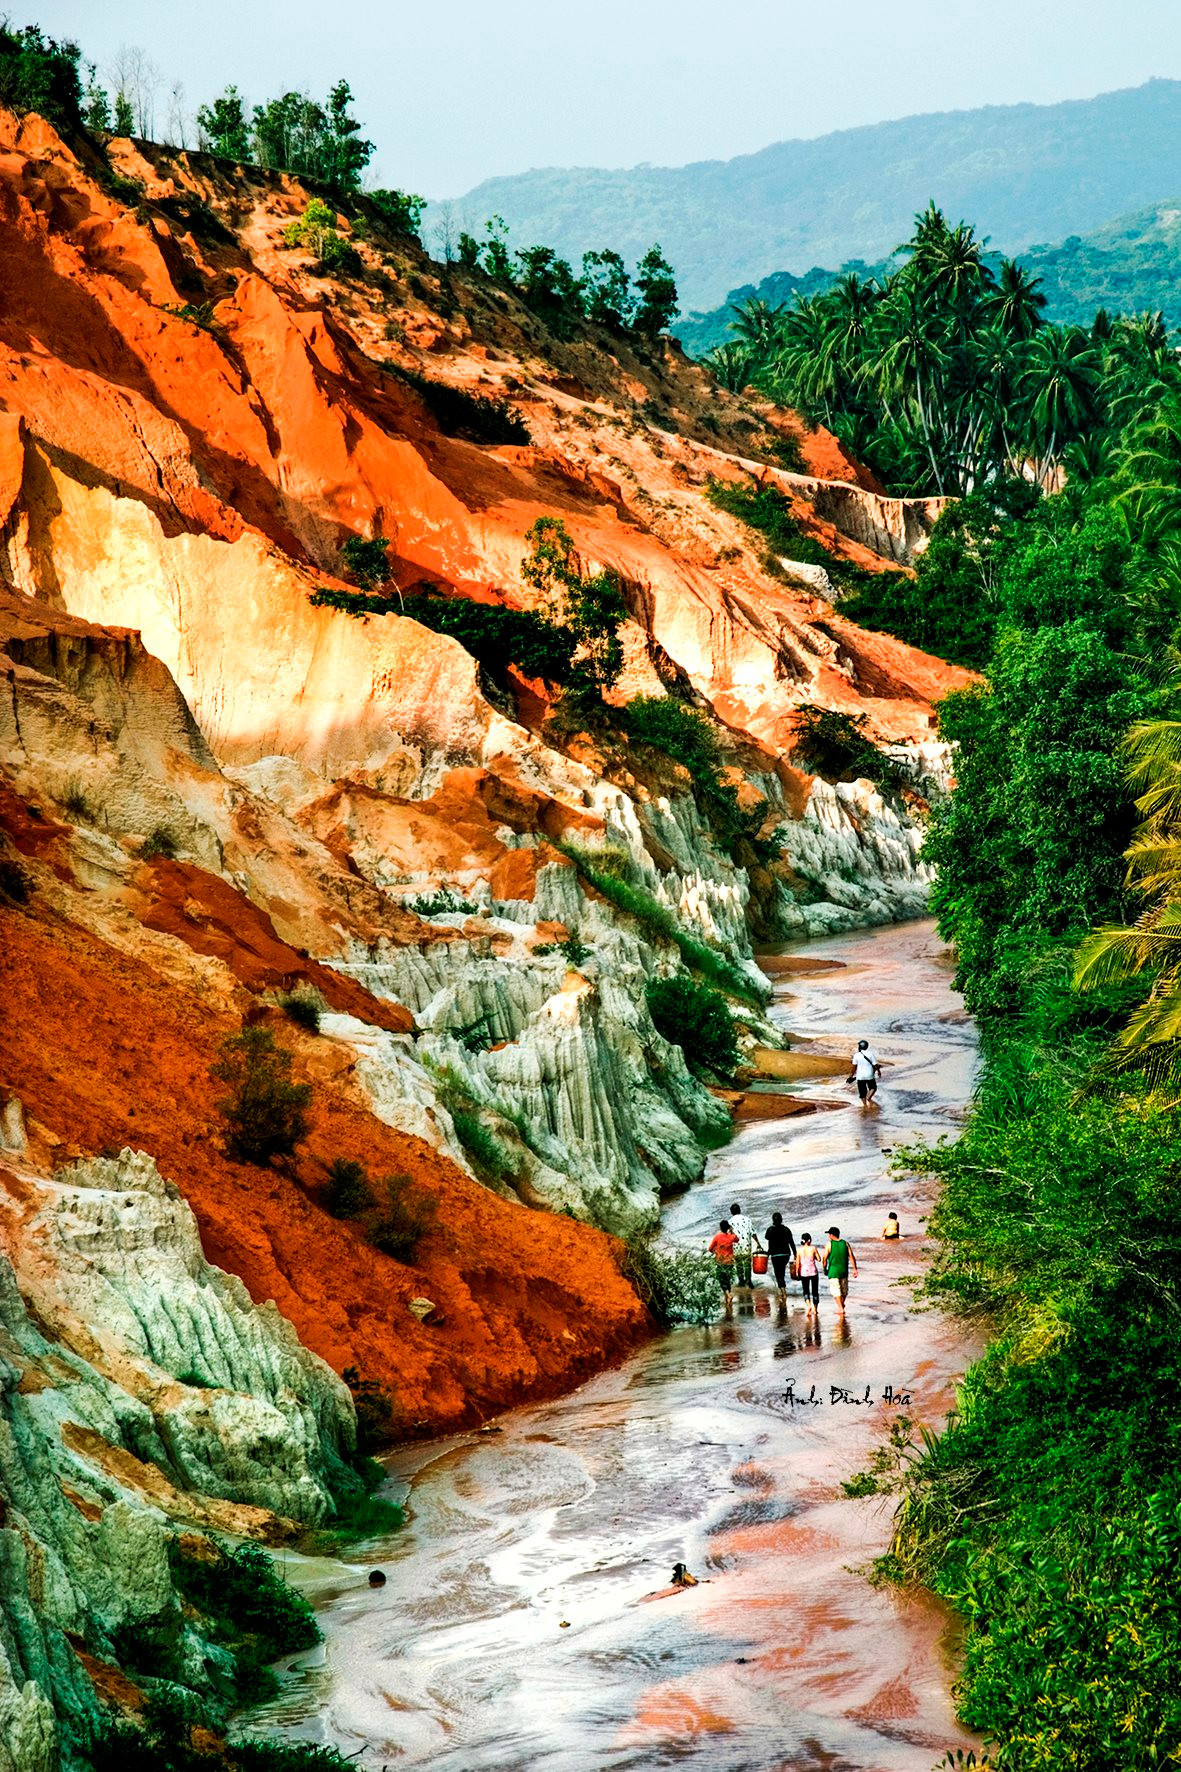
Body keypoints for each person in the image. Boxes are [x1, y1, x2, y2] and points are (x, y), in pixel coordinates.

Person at [823, 1225, 859, 1315]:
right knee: (844, 1290)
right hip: (844, 1271)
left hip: (833, 1271)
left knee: (836, 1290)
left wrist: (825, 1269)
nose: (828, 1236)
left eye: (829, 1234)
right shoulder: (845, 1243)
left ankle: (840, 1308)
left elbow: (824, 1259)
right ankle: (841, 1305)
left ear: (832, 1235)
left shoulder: (829, 1244)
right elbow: (851, 1257)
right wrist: (855, 1269)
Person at [728, 1202, 761, 1290]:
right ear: (740, 1210)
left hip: (736, 1246)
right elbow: (753, 1233)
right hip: (746, 1245)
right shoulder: (747, 1220)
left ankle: (741, 1281)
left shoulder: (729, 1222)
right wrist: (758, 1243)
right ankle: (749, 1281)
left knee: (739, 1264)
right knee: (747, 1264)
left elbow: (728, 1235)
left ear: (731, 1212)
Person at [764, 1211, 797, 1295]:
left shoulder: (770, 1229)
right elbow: (791, 1242)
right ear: (781, 1220)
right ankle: (782, 1287)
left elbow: (767, 1237)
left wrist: (767, 1254)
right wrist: (795, 1253)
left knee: (778, 1273)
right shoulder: (786, 1229)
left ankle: (782, 1289)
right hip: (786, 1254)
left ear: (773, 1220)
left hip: (775, 1255)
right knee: (782, 1271)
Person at [708, 1219, 738, 1311]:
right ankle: (727, 1299)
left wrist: (716, 1252)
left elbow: (710, 1248)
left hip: (721, 1262)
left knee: (722, 1280)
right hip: (730, 1262)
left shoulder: (717, 1236)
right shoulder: (731, 1237)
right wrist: (732, 1231)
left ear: (720, 1227)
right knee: (727, 1279)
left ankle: (728, 1295)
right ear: (727, 1228)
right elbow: (737, 1239)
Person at [849, 1039, 881, 1106]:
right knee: (873, 1087)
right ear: (866, 1046)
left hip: (860, 1076)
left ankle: (865, 1105)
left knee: (862, 1092)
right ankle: (869, 1097)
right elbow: (875, 1065)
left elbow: (854, 1067)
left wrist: (851, 1075)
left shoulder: (856, 1055)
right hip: (870, 1075)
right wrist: (879, 1071)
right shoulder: (870, 1054)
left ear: (860, 1047)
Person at [796, 1231, 820, 1313]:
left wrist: (797, 1272)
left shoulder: (799, 1250)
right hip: (813, 1272)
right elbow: (819, 1259)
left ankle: (809, 1306)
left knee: (806, 1291)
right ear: (809, 1240)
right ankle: (815, 1310)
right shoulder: (813, 1248)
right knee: (815, 1291)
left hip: (804, 1272)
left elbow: (798, 1263)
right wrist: (814, 1256)